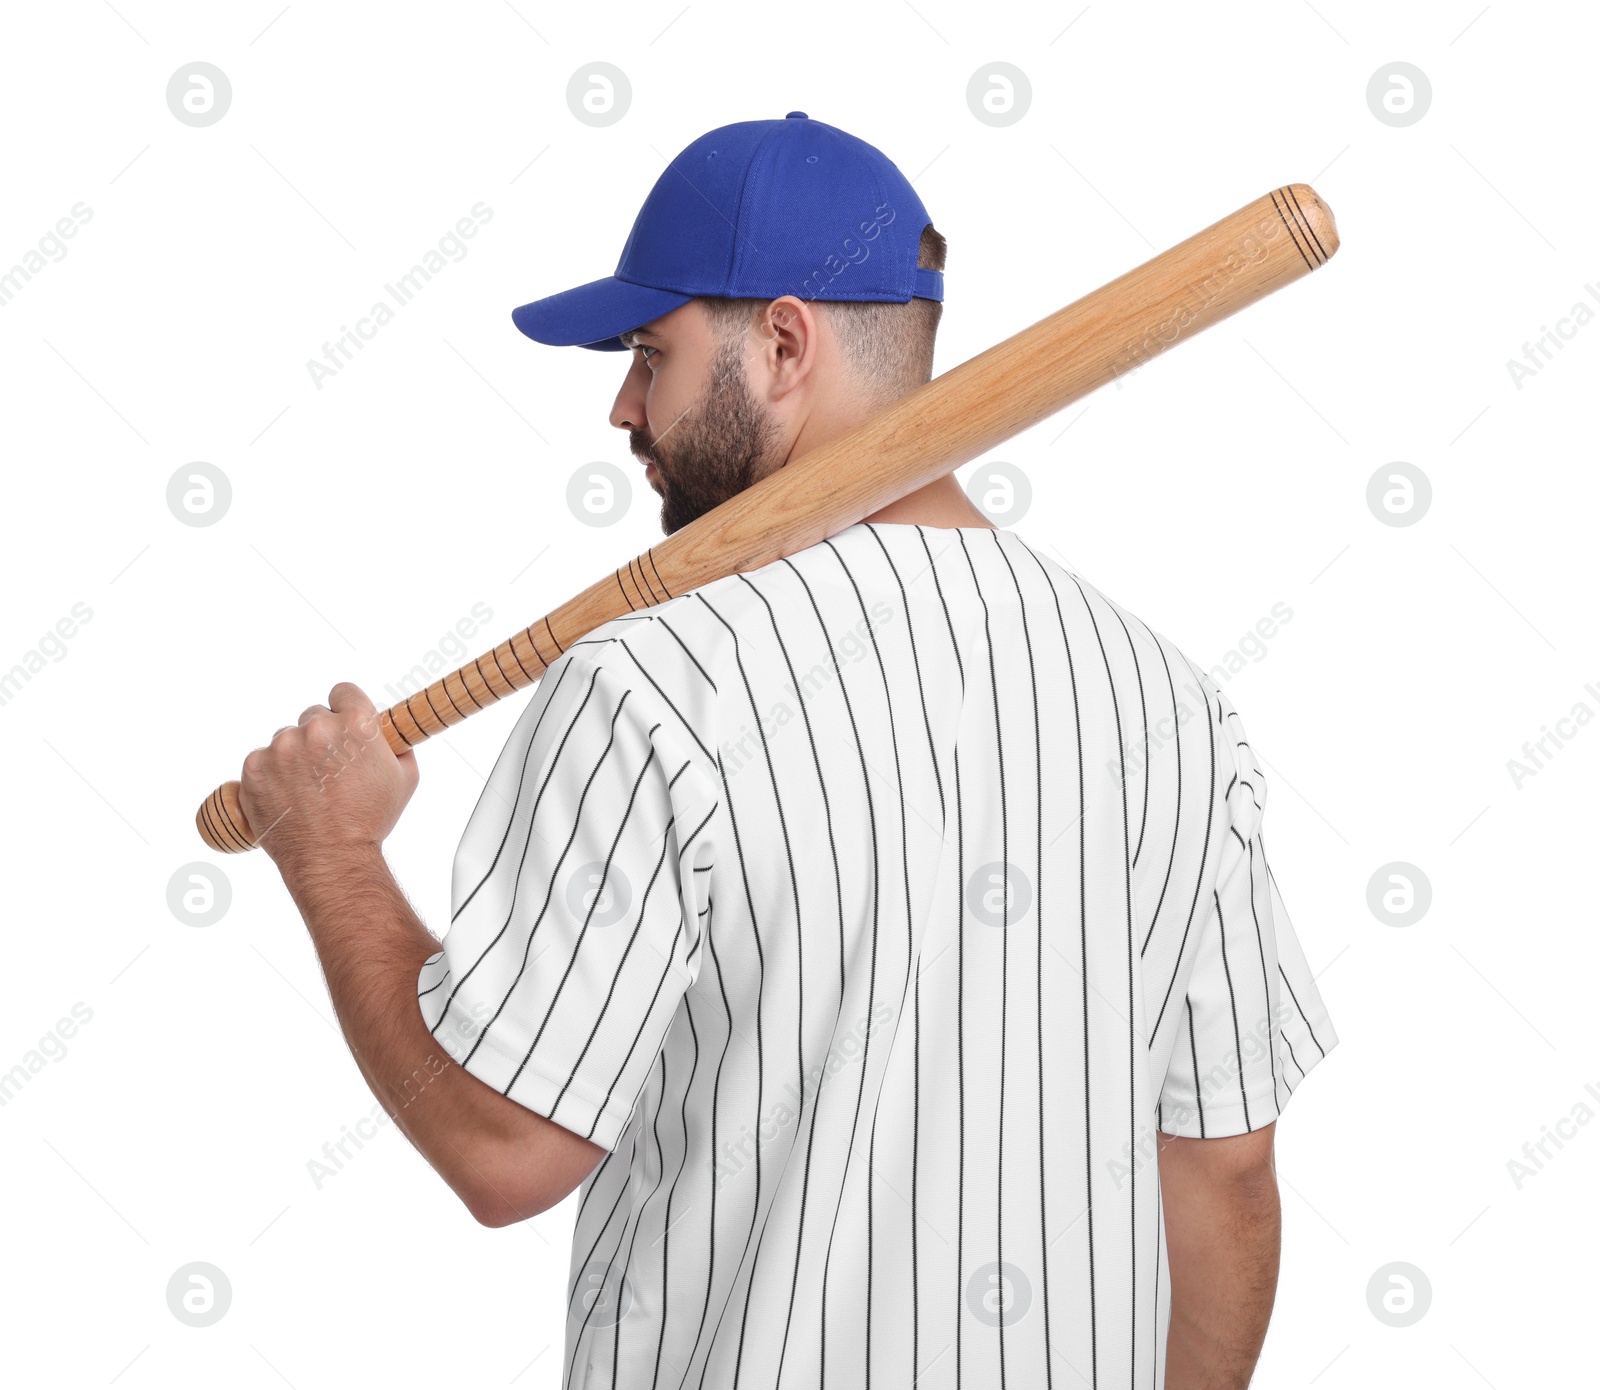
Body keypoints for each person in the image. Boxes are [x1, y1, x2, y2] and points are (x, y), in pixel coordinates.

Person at [238, 113, 1338, 1389]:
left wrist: (330, 851)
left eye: (651, 352)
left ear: (780, 342)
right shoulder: (1169, 702)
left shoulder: (650, 681)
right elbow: (1225, 1166)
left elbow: (502, 1147)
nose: (621, 405)